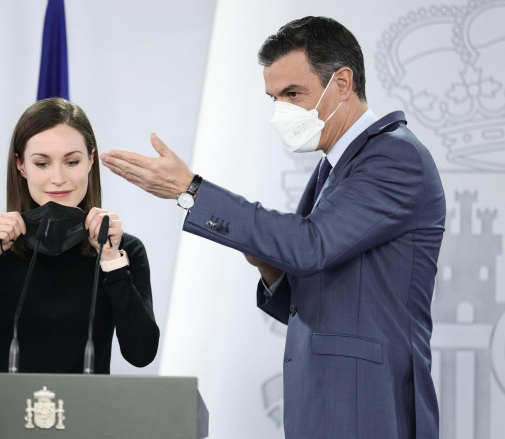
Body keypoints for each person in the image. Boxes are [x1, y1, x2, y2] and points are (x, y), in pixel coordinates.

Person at [100, 16, 444, 439]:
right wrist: (269, 267)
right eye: (274, 97)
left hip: (367, 403)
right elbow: (318, 295)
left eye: (293, 93)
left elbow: (311, 246)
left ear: (342, 82)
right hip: (324, 402)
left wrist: (190, 190)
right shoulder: (333, 167)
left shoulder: (393, 157)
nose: (281, 110)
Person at [0, 97, 160, 374]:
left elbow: (141, 353)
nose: (57, 178)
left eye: (71, 162)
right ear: (21, 165)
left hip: (88, 414)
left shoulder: (124, 249)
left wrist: (111, 261)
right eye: (42, 164)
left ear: (91, 160)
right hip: (2, 414)